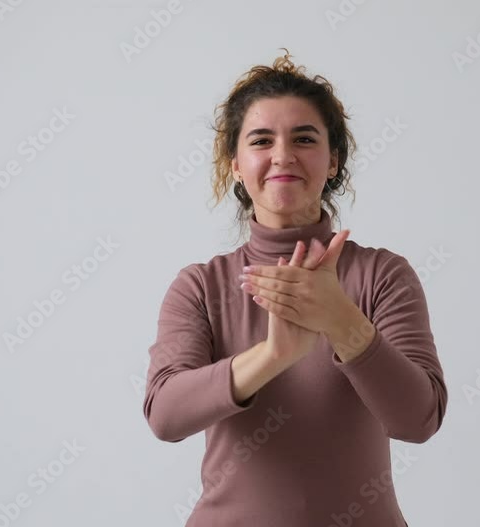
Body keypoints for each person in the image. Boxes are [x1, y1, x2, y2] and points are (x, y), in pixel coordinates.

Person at [143, 48, 447, 526]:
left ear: (332, 161)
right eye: (261, 140)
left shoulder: (383, 275)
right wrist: (272, 356)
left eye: (304, 138)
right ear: (235, 165)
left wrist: (343, 322)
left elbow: (418, 421)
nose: (283, 155)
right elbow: (165, 415)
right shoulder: (201, 286)